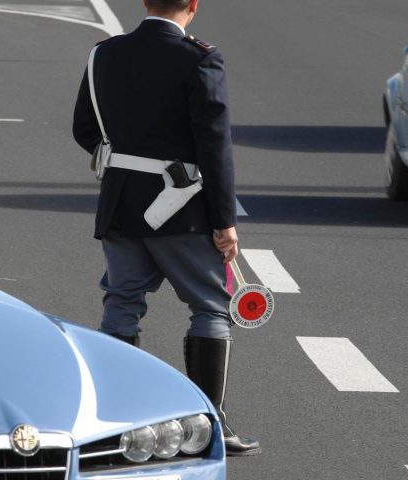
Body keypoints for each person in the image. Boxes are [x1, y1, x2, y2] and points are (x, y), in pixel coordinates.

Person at [73, 0, 260, 457]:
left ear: (144, 3)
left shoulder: (105, 53)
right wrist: (224, 221)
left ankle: (116, 423)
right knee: (211, 308)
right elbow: (214, 145)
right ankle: (209, 425)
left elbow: (84, 128)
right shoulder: (199, 57)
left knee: (122, 305)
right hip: (183, 209)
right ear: (192, 5)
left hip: (120, 203)